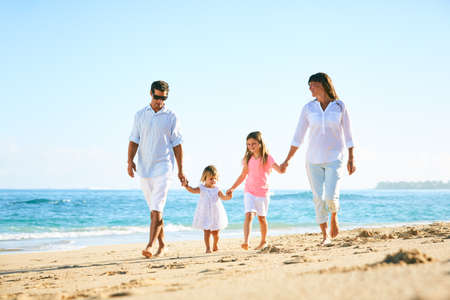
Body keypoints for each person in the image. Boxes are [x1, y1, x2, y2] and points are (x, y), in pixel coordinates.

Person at [280, 72, 356, 245]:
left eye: (312, 85)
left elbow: (349, 134)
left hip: (335, 157)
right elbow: (298, 136)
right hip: (313, 159)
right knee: (318, 197)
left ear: (322, 85)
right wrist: (287, 160)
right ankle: (324, 235)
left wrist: (352, 158)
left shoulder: (339, 106)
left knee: (330, 196)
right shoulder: (308, 108)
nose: (309, 89)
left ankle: (334, 216)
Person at [127, 80, 186, 258]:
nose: (160, 101)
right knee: (154, 208)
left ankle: (150, 245)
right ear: (151, 93)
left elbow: (177, 144)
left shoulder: (171, 116)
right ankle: (162, 244)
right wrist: (129, 161)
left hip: (164, 166)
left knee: (157, 209)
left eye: (164, 98)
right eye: (157, 97)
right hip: (145, 168)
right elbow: (134, 139)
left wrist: (181, 170)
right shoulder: (139, 115)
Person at [227, 131, 283, 250]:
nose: (251, 146)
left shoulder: (267, 158)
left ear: (260, 144)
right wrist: (232, 187)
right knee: (249, 214)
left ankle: (263, 241)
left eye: (254, 143)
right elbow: (243, 175)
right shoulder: (248, 159)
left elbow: (279, 169)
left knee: (262, 218)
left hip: (262, 193)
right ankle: (246, 241)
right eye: (248, 144)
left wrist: (284, 166)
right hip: (249, 191)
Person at [183, 165, 232, 253]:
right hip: (205, 213)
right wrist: (186, 186)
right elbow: (193, 190)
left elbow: (223, 197)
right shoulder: (202, 188)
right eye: (211, 178)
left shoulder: (217, 189)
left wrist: (228, 197)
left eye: (215, 179)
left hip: (215, 213)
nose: (213, 181)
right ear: (204, 178)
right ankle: (208, 248)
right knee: (207, 231)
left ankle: (215, 244)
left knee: (216, 233)